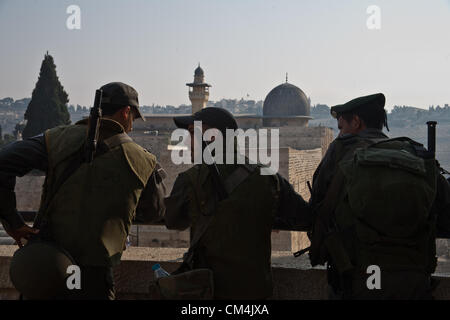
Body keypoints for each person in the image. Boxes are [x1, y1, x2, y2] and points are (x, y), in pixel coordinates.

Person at [0, 82, 166, 299]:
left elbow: (3, 162)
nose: (132, 126)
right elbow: (156, 211)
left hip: (46, 266)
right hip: (93, 277)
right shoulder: (143, 159)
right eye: (133, 118)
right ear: (126, 112)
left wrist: (14, 223)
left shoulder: (55, 140)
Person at [308, 93, 450, 300]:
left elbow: (317, 208)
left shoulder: (340, 151)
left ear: (356, 122)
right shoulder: (414, 154)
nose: (339, 135)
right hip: (412, 281)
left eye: (341, 128)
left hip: (356, 279)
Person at [164, 107, 312, 300]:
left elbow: (173, 220)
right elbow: (304, 216)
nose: (186, 141)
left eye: (192, 133)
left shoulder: (190, 180)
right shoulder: (268, 177)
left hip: (206, 292)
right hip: (255, 293)